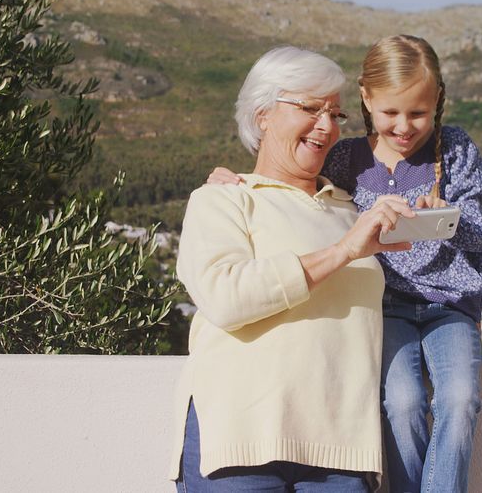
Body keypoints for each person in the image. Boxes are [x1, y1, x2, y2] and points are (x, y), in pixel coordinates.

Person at [210, 35, 482, 493]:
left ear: (437, 100)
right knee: (401, 402)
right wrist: (240, 181)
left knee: (459, 399)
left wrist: (446, 219)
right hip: (387, 307)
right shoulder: (347, 159)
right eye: (391, 114)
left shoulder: (454, 150)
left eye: (418, 113)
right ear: (366, 98)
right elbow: (301, 191)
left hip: (450, 307)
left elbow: (478, 231)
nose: (404, 127)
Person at [170, 45, 415, 492]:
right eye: (310, 108)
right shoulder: (223, 199)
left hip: (342, 457)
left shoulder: (353, 210)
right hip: (239, 449)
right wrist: (342, 251)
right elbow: (225, 298)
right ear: (262, 114)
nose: (326, 126)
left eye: (336, 114)